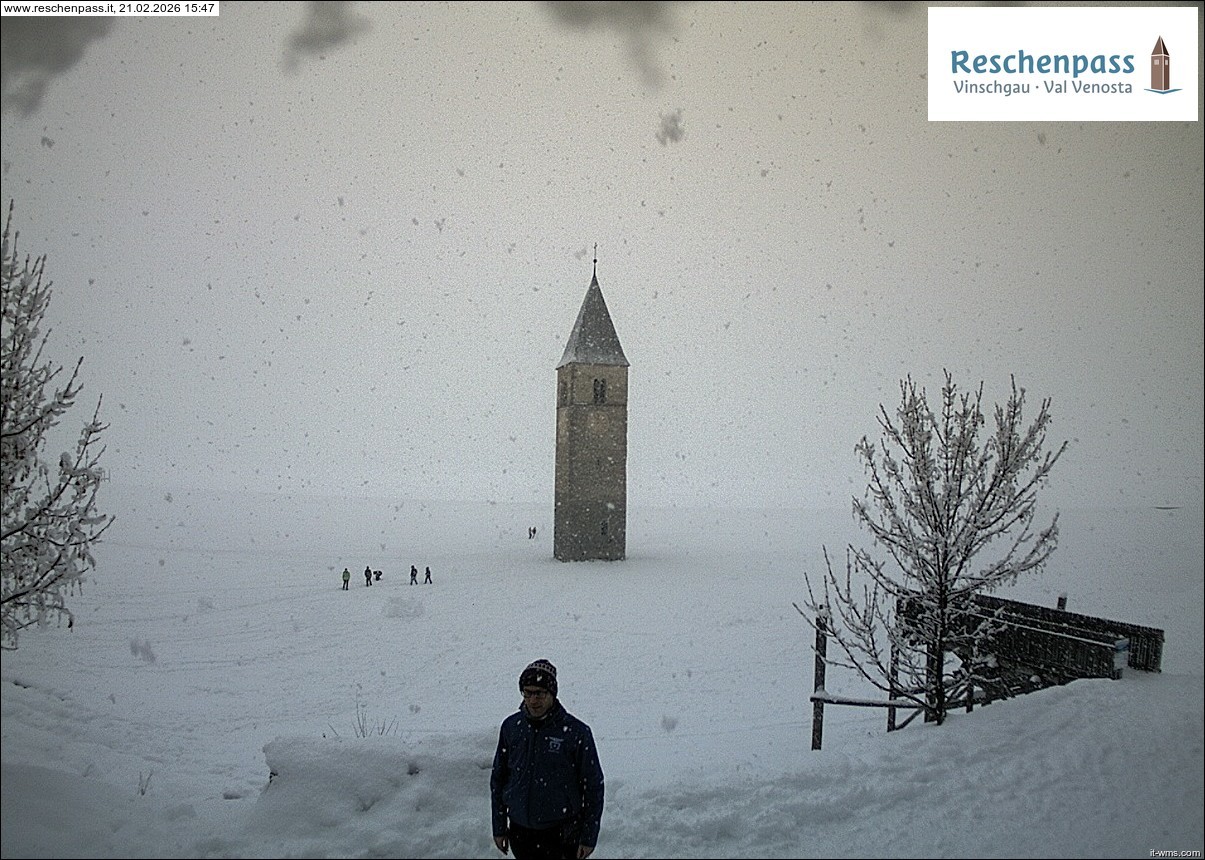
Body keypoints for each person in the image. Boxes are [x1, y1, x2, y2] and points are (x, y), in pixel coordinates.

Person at [491, 659, 604, 860]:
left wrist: (588, 837)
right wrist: (499, 827)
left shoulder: (576, 733)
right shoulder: (511, 728)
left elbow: (594, 787)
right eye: (527, 692)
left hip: (561, 835)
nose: (533, 700)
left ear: (552, 694)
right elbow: (498, 780)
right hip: (520, 832)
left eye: (539, 693)